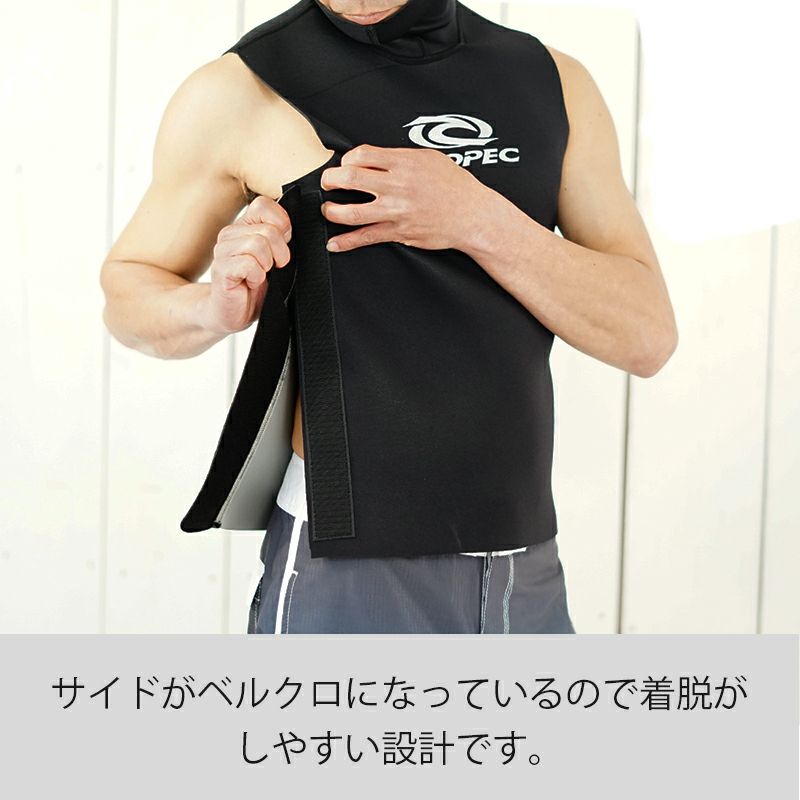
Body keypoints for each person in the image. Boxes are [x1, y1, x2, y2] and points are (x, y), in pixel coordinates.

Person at [100, 0, 677, 635]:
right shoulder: (242, 90)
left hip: (525, 558)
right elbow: (129, 290)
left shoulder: (553, 82)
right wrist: (212, 308)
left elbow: (646, 335)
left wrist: (478, 219)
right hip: (349, 565)